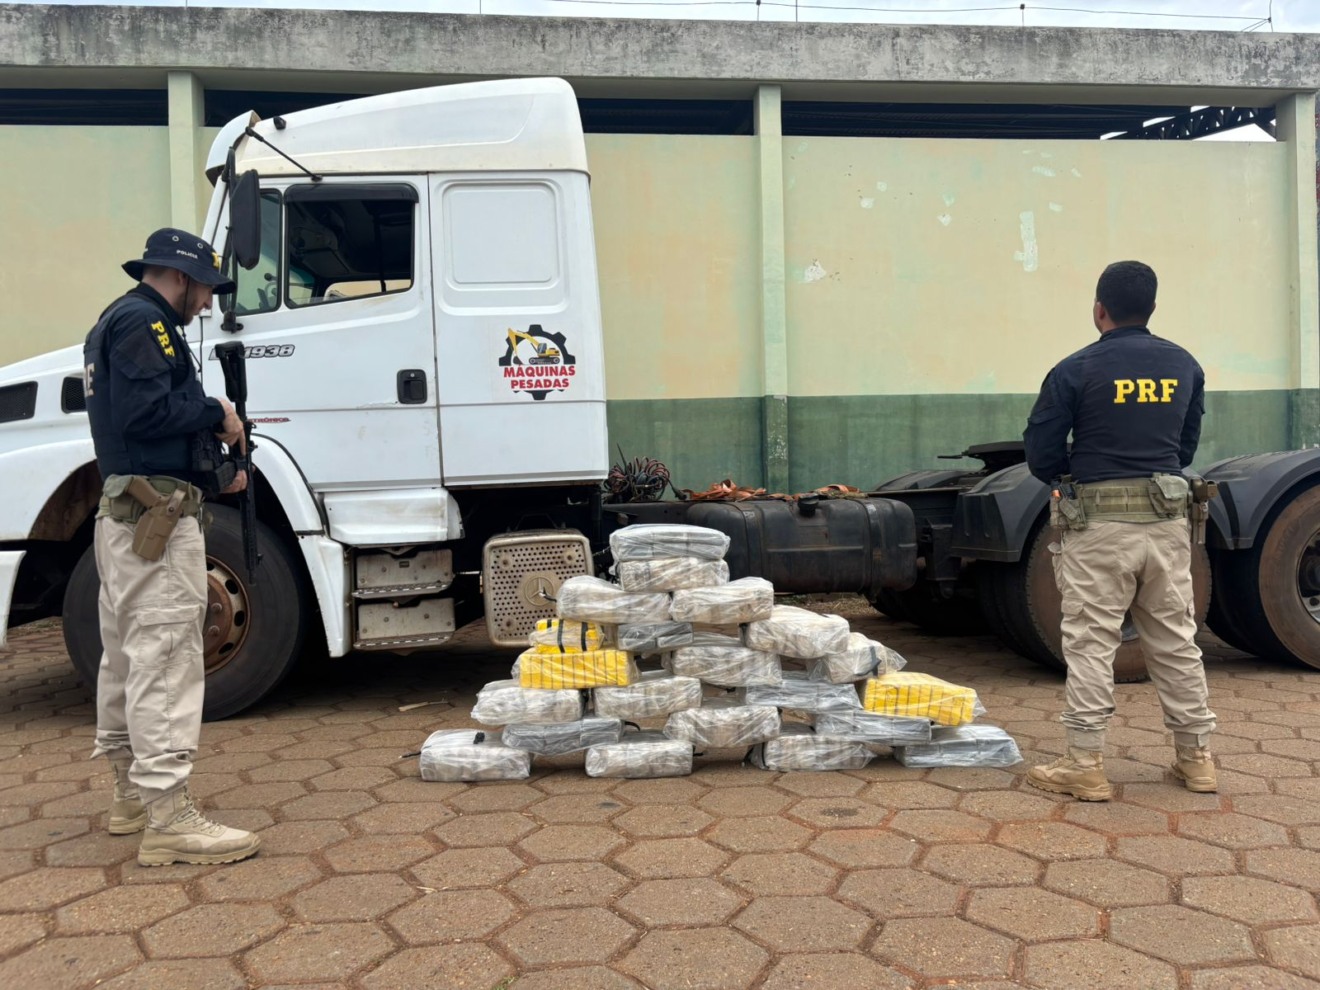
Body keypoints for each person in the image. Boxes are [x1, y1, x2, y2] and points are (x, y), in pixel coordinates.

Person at [83, 228, 261, 865]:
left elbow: (143, 427)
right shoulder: (144, 323)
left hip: (135, 514)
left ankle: (131, 796)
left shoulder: (127, 320)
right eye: (207, 289)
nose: (209, 304)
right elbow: (148, 416)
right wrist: (217, 412)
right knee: (164, 653)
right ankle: (169, 817)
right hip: (152, 521)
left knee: (129, 654)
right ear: (180, 277)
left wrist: (217, 469)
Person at [1021, 260, 1216, 802]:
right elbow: (1185, 447)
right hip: (1168, 523)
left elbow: (1040, 451)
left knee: (1091, 642)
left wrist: (1071, 475)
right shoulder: (1184, 364)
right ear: (1151, 307)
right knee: (1176, 640)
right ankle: (1196, 760)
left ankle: (1084, 764)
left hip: (1099, 527)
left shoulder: (1075, 369)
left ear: (1098, 309)